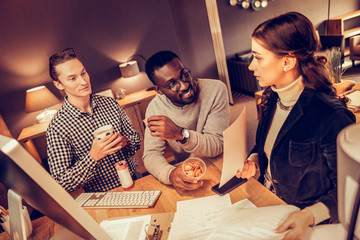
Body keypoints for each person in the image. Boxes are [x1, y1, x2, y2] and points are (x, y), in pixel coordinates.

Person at [237, 12, 355, 240]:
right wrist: (254, 160)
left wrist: (309, 215)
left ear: (288, 62)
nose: (251, 66)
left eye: (258, 58)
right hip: (268, 203)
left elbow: (348, 190)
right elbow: (267, 145)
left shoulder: (331, 116)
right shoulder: (271, 97)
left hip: (305, 220)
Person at [46, 48, 141, 193]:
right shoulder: (58, 128)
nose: (83, 81)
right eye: (72, 78)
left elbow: (136, 140)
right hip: (102, 196)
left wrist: (125, 142)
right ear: (58, 84)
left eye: (83, 73)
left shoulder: (110, 103)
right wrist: (93, 157)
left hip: (136, 180)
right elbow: (61, 182)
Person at [143, 50, 230, 191]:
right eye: (172, 84)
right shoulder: (155, 108)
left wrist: (181, 134)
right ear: (158, 90)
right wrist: (170, 174)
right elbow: (151, 154)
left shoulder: (215, 89)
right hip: (188, 173)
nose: (184, 85)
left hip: (220, 164)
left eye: (184, 75)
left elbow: (217, 145)